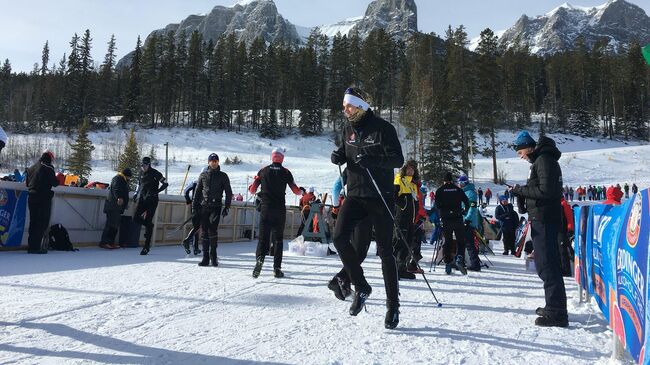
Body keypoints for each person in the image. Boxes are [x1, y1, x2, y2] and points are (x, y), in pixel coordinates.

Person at [330, 87, 404, 329]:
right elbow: (346, 151)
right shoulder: (348, 128)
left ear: (360, 106)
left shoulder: (383, 128)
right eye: (344, 106)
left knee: (385, 252)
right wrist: (338, 156)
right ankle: (361, 285)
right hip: (355, 195)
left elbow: (398, 160)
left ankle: (393, 306)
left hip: (380, 197)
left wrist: (374, 161)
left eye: (348, 106)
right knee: (339, 238)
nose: (345, 110)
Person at [510, 131, 568, 327]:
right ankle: (553, 305)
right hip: (541, 218)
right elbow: (541, 190)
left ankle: (557, 312)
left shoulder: (543, 160)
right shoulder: (541, 160)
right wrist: (522, 194)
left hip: (545, 220)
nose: (521, 156)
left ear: (528, 146)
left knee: (547, 265)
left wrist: (521, 190)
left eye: (520, 152)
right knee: (545, 264)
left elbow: (547, 191)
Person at [249, 148, 301, 278]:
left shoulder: (263, 171)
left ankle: (260, 259)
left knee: (263, 238)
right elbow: (296, 191)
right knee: (278, 240)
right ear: (282, 158)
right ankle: (277, 269)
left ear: (272, 157)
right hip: (279, 210)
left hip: (266, 208)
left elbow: (252, 190)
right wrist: (302, 192)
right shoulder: (286, 172)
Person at [194, 153, 232, 267]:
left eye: (216, 161)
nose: (214, 163)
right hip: (204, 206)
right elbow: (197, 192)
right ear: (208, 162)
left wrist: (227, 207)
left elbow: (228, 193)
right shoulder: (203, 175)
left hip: (216, 207)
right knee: (204, 232)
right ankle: (205, 257)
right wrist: (194, 207)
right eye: (212, 161)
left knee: (213, 230)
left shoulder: (223, 176)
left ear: (218, 162)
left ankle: (213, 256)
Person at [434, 172, 470, 275]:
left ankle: (448, 263)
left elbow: (436, 205)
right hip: (457, 218)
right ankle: (459, 257)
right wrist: (464, 211)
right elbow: (467, 202)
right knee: (460, 241)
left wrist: (440, 215)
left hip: (446, 219)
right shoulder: (458, 190)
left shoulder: (440, 190)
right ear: (452, 180)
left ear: (444, 181)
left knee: (448, 242)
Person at [133, 156, 168, 255]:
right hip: (143, 199)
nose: (143, 167)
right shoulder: (140, 173)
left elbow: (165, 183)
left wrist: (157, 191)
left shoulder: (155, 173)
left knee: (148, 220)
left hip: (152, 200)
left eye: (145, 165)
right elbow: (139, 184)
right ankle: (149, 225)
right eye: (142, 165)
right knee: (136, 218)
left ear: (149, 164)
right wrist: (136, 193)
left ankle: (146, 247)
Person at [25, 151, 59, 254]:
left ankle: (31, 246)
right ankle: (36, 248)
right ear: (50, 158)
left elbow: (27, 183)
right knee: (41, 223)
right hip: (43, 198)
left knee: (33, 222)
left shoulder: (31, 168)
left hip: (31, 197)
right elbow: (55, 183)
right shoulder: (48, 167)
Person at [393, 160, 421, 280]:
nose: (410, 171)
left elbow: (415, 201)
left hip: (411, 219)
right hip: (401, 217)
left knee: (408, 244)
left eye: (412, 169)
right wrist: (403, 205)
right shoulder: (399, 179)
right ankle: (393, 269)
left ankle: (402, 268)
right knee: (400, 243)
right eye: (408, 169)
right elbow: (394, 195)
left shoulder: (413, 184)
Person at [100, 168, 133, 249]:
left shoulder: (122, 180)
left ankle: (111, 242)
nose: (129, 179)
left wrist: (125, 204)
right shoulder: (118, 179)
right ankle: (105, 242)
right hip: (113, 206)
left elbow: (123, 192)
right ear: (126, 175)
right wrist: (119, 197)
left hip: (117, 207)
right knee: (110, 224)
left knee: (114, 225)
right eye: (129, 177)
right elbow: (116, 189)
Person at [458, 175, 482, 271]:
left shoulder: (470, 193)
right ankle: (461, 261)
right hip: (464, 219)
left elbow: (472, 208)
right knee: (463, 242)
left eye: (461, 183)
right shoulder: (464, 192)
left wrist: (467, 219)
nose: (459, 184)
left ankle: (475, 264)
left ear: (464, 183)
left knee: (469, 243)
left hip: (468, 221)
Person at [182, 167, 208, 256]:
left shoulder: (194, 182)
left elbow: (185, 191)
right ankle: (187, 240)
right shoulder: (204, 183)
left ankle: (196, 248)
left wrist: (189, 201)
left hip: (194, 207)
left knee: (197, 226)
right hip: (200, 207)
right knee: (198, 226)